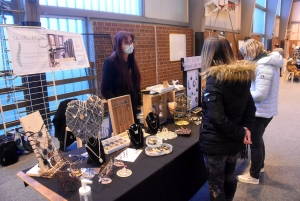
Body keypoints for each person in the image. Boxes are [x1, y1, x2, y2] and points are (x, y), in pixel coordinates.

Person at [199, 35, 256, 201]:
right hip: (233, 142)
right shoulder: (242, 76)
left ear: (208, 54)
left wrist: (241, 132)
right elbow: (250, 107)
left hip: (217, 143)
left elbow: (217, 118)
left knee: (216, 184)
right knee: (229, 177)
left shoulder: (214, 79)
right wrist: (245, 130)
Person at [237, 39, 283, 184]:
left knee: (255, 143)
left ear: (251, 51)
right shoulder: (268, 63)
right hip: (266, 110)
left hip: (260, 112)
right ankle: (259, 166)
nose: (245, 58)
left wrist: (242, 95)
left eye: (245, 54)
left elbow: (260, 94)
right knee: (258, 139)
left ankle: (254, 176)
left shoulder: (263, 66)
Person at [101, 31, 141, 137]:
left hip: (132, 107)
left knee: (134, 138)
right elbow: (104, 89)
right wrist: (117, 105)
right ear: (119, 45)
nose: (130, 45)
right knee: (118, 140)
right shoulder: (111, 62)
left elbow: (135, 85)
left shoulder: (131, 61)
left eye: (131, 42)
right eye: (126, 43)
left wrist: (138, 102)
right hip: (118, 110)